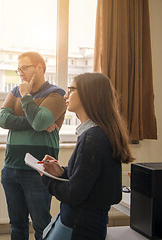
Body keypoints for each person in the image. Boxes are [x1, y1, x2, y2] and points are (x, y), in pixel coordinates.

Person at [41, 72, 134, 240]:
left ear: (88, 95)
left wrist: (46, 177)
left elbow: (74, 194)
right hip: (87, 223)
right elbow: (89, 179)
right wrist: (62, 172)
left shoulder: (93, 138)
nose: (66, 95)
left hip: (79, 227)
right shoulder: (99, 133)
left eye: (71, 89)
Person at [0, 51, 67, 240]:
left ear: (39, 67)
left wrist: (27, 96)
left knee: (41, 224)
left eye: (24, 68)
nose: (20, 73)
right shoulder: (15, 92)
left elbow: (40, 122)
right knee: (17, 225)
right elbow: (3, 120)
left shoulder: (57, 93)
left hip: (39, 170)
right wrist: (36, 120)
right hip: (11, 167)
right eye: (18, 69)